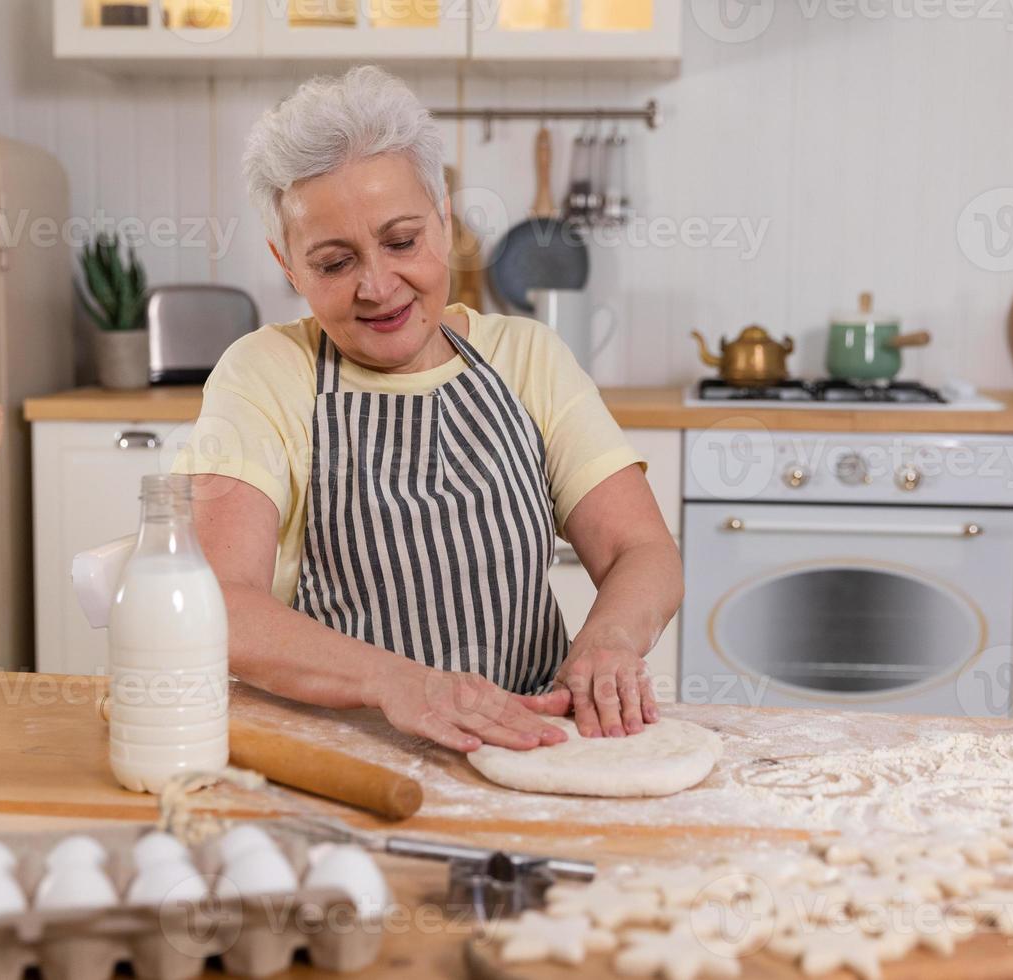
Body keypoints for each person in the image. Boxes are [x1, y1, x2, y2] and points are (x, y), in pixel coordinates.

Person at [173, 66, 681, 754]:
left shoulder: (526, 357)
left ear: (444, 220)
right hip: (349, 754)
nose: (378, 286)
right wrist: (398, 683)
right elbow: (221, 606)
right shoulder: (265, 374)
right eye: (333, 262)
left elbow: (641, 550)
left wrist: (609, 642)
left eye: (402, 241)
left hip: (529, 746)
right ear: (288, 265)